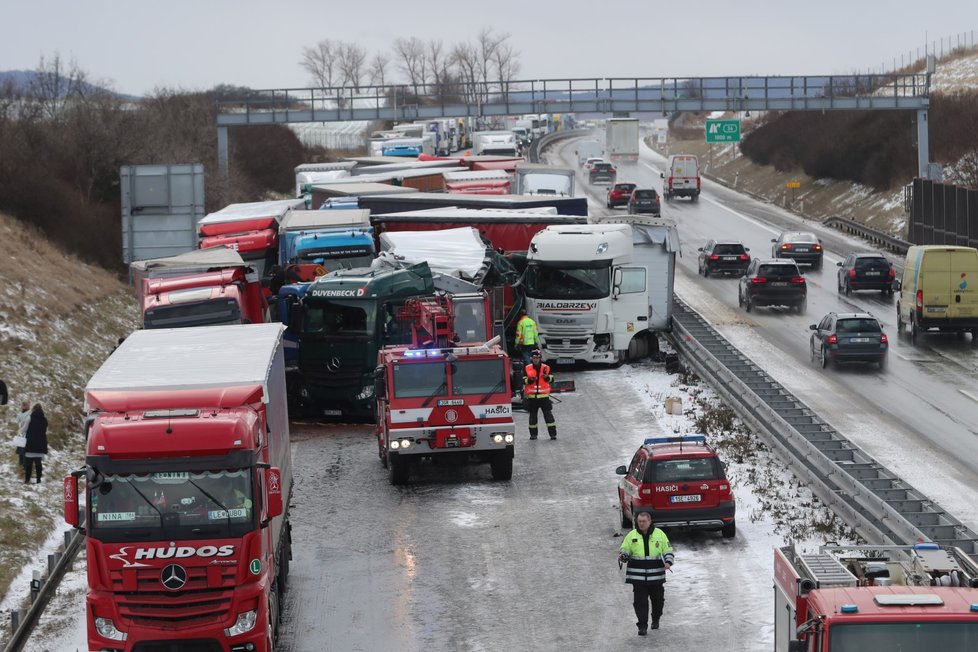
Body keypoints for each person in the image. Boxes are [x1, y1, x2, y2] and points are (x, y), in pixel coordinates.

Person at [618, 511, 674, 636]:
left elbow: (668, 550)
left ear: (649, 522)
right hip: (637, 577)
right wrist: (623, 555)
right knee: (640, 602)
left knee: (658, 601)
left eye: (644, 521)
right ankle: (642, 626)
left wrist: (668, 562)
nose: (641, 524)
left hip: (656, 577)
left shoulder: (660, 535)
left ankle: (656, 618)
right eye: (639, 521)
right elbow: (625, 549)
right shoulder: (631, 535)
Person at [523, 349, 557, 440]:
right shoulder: (527, 368)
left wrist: (547, 378)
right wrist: (529, 380)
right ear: (531, 358)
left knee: (549, 417)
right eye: (534, 358)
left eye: (537, 358)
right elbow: (523, 380)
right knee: (533, 418)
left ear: (540, 358)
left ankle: (553, 434)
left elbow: (552, 378)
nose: (536, 359)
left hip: (544, 397)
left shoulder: (546, 367)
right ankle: (533, 435)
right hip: (532, 398)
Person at [23, 403, 48, 484]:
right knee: (38, 463)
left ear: (33, 409)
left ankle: (27, 479)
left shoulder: (29, 418)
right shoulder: (44, 420)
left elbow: (24, 429)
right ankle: (38, 479)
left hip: (30, 443)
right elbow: (45, 430)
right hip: (40, 444)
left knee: (29, 464)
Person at [15, 400, 31, 470]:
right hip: (24, 435)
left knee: (22, 451)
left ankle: (23, 465)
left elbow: (17, 421)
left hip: (23, 434)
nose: (22, 407)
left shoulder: (25, 414)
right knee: (23, 451)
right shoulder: (28, 414)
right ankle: (23, 465)